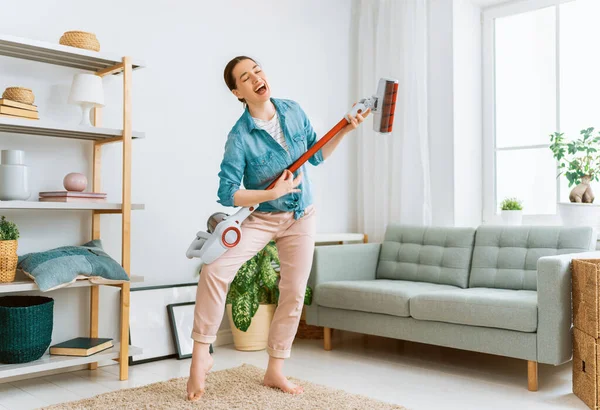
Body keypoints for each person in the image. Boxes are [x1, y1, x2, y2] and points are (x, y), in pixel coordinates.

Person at [186, 56, 370, 401]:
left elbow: (316, 155)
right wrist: (272, 192)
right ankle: (200, 356)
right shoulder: (240, 137)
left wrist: (345, 127)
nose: (256, 77)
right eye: (245, 76)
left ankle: (275, 370)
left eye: (257, 70)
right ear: (237, 91)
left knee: (294, 291)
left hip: (302, 215)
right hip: (262, 218)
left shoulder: (293, 111)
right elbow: (228, 192)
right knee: (214, 270)